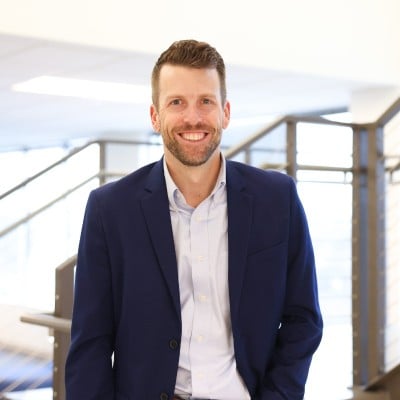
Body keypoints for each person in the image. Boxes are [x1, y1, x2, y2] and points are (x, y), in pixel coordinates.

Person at [65, 39, 323, 400]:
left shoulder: (277, 199)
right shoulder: (110, 210)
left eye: (206, 101)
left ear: (225, 112)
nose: (192, 117)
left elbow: (303, 319)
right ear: (155, 116)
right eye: (176, 102)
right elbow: (90, 343)